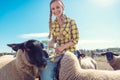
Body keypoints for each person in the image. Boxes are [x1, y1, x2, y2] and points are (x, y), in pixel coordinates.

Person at [40, 0, 79, 80]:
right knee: (44, 70)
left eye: (58, 7)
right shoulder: (53, 24)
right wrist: (52, 42)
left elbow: (75, 39)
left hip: (70, 53)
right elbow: (55, 37)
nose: (55, 10)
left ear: (63, 7)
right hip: (58, 53)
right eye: (53, 9)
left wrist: (63, 47)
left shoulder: (71, 22)